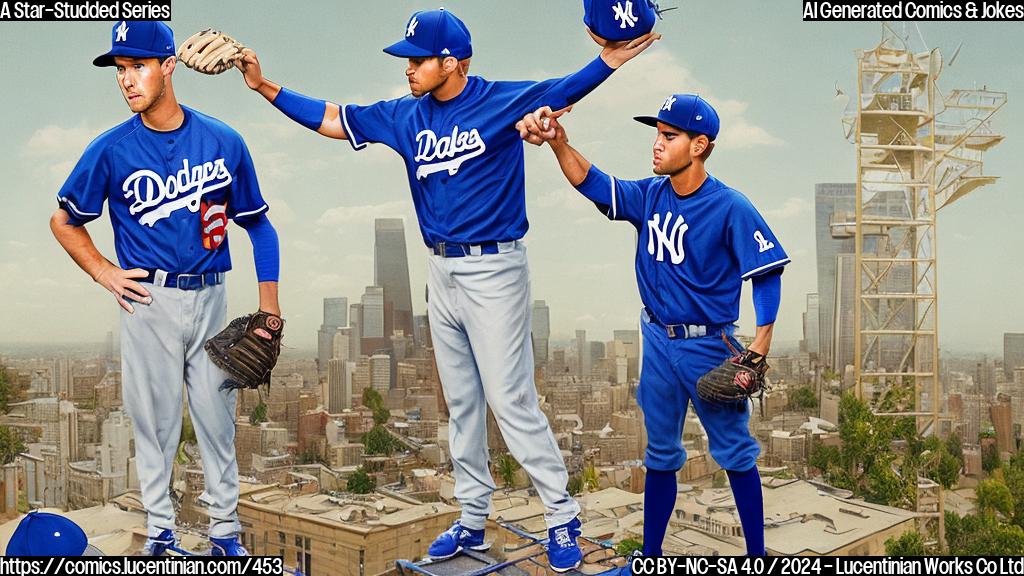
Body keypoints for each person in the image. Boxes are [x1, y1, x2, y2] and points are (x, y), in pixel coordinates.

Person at [235, 7, 657, 571]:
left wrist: (612, 57)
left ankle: (562, 518)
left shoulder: (501, 102)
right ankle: (472, 517)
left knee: (510, 400)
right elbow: (333, 119)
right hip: (441, 270)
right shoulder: (404, 117)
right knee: (460, 402)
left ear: (450, 62)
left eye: (416, 60)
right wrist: (263, 85)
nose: (407, 69)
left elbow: (569, 85)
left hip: (496, 269)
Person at [517, 94, 788, 557]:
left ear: (699, 145)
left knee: (735, 453)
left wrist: (760, 345)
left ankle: (757, 558)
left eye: (669, 136)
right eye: (657, 134)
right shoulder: (650, 195)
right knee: (659, 454)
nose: (657, 144)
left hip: (709, 344)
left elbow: (765, 272)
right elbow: (595, 184)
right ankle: (651, 558)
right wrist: (561, 143)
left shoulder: (730, 206)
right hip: (657, 340)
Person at [49, 20, 282, 556]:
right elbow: (64, 221)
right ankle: (161, 534)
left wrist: (269, 308)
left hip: (211, 295)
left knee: (217, 422)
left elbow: (259, 225)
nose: (127, 80)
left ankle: (226, 533)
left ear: (169, 66)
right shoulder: (110, 149)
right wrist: (103, 271)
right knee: (154, 425)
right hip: (147, 298)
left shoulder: (223, 140)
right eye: (121, 70)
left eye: (139, 66)